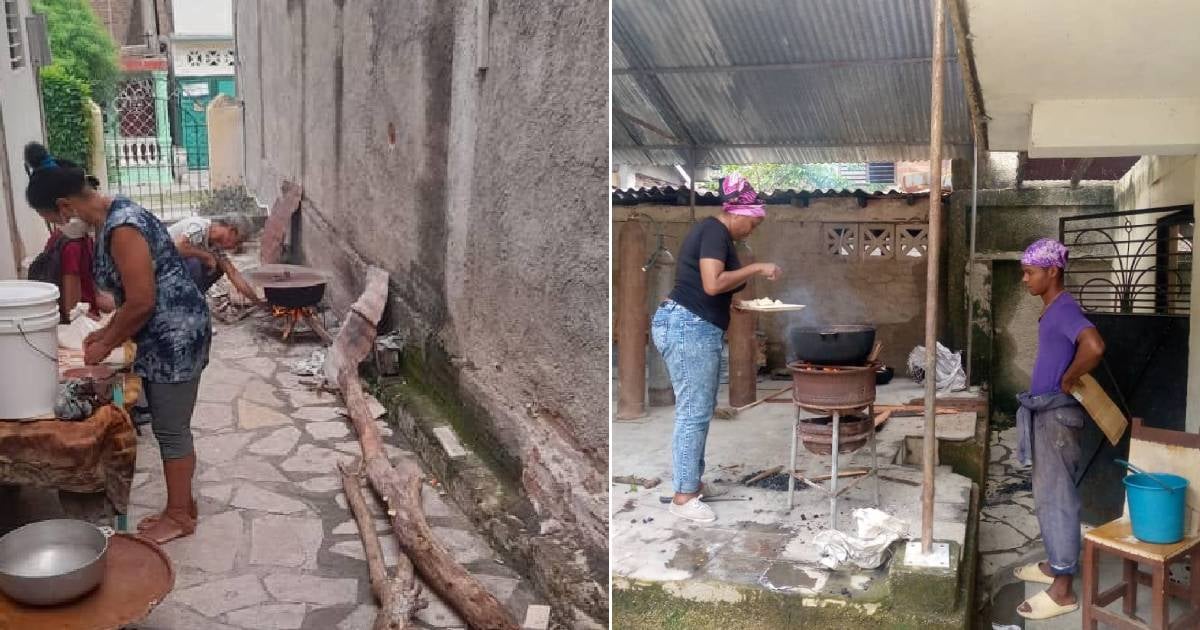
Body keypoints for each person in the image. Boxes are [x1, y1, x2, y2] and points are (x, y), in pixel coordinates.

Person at [23, 142, 210, 544]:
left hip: (175, 334)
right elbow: (132, 297)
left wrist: (106, 342)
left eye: (50, 219)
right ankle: (184, 505)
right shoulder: (111, 217)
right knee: (170, 424)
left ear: (64, 206)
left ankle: (179, 516)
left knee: (171, 428)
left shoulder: (122, 227)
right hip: (164, 330)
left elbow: (142, 300)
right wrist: (105, 332)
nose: (55, 228)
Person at [651, 173, 781, 523]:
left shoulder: (719, 236)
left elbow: (709, 288)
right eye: (753, 223)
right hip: (687, 327)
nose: (752, 229)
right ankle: (683, 496)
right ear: (738, 213)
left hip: (695, 324)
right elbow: (711, 283)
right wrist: (755, 267)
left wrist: (733, 305)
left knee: (700, 408)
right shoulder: (714, 231)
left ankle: (691, 482)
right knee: (693, 411)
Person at [1011, 238, 1105, 621]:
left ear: (1052, 271)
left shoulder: (1064, 308)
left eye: (1030, 272)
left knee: (1057, 499)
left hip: (1058, 417)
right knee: (1047, 495)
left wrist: (1068, 377)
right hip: (1048, 416)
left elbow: (1094, 346)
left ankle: (1063, 589)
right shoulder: (1052, 309)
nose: (1024, 279)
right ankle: (1055, 565)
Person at [167, 214, 260, 302]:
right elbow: (177, 247)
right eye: (238, 242)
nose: (235, 247)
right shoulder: (199, 227)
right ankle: (178, 300)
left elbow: (233, 274)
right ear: (232, 232)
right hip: (160, 265)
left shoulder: (215, 246)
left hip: (172, 269)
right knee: (195, 262)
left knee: (218, 267)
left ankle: (191, 298)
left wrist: (258, 302)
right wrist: (205, 256)